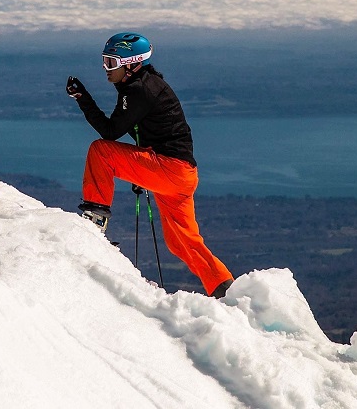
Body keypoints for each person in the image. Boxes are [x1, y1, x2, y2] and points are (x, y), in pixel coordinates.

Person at [66, 32, 234, 298]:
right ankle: (225, 288)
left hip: (167, 169)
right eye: (104, 62)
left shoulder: (139, 90)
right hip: (183, 175)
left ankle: (94, 222)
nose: (106, 70)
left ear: (131, 64)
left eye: (111, 63)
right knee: (182, 243)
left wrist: (83, 99)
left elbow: (109, 132)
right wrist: (142, 169)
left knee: (101, 152)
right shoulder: (145, 85)